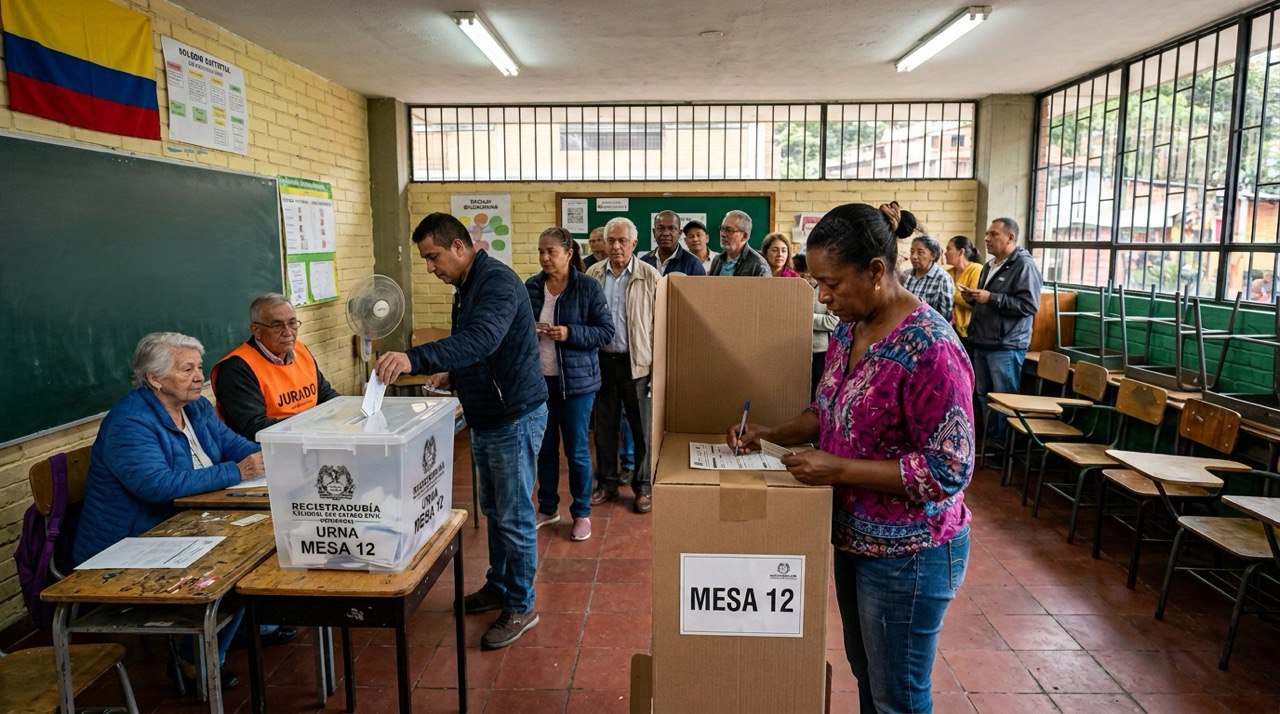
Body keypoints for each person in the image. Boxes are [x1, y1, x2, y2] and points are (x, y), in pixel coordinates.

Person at [727, 202, 972, 713]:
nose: (823, 295)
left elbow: (949, 469)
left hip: (910, 554)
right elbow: (829, 410)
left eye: (831, 283)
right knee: (868, 677)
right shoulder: (850, 328)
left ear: (876, 271)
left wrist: (838, 469)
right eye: (817, 282)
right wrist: (772, 433)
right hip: (855, 539)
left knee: (898, 697)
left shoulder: (931, 350)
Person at [374, 212, 548, 650]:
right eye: (425, 260)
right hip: (488, 414)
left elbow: (483, 338)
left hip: (514, 416)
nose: (430, 267)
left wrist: (415, 358)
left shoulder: (497, 283)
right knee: (494, 511)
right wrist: (455, 374)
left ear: (458, 246)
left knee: (514, 516)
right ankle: (499, 586)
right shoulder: (467, 285)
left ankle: (521, 605)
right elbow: (483, 349)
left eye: (433, 257)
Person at [73, 332, 267, 690]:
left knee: (261, 547)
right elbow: (156, 485)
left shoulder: (196, 407)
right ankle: (196, 660)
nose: (199, 377)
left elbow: (235, 446)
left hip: (186, 521)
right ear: (155, 378)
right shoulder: (130, 422)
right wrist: (237, 471)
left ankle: (240, 629)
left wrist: (271, 454)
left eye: (199, 367)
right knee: (238, 564)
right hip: (133, 539)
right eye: (187, 369)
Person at [526, 228, 615, 542]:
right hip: (539, 384)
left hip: (577, 385)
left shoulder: (587, 286)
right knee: (545, 450)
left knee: (577, 451)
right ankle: (548, 508)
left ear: (568, 253)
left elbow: (605, 331)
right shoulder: (532, 286)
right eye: (541, 251)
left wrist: (569, 333)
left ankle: (581, 513)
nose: (545, 257)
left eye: (551, 251)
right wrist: (529, 330)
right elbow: (517, 327)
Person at [587, 216, 660, 514]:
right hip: (602, 361)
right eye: (611, 240)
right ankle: (607, 483)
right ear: (604, 243)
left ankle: (643, 487)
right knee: (604, 427)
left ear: (634, 243)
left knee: (642, 429)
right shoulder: (593, 274)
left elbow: (660, 326)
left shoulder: (650, 276)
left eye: (622, 241)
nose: (616, 246)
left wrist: (657, 369)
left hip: (637, 364)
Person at [211, 293, 340, 441]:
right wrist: (311, 426)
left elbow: (326, 395)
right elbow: (254, 427)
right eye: (277, 326)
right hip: (270, 448)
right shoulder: (236, 369)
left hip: (311, 439)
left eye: (292, 323)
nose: (288, 332)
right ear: (256, 331)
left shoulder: (300, 350)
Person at [962, 218, 1043, 446]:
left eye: (994, 234)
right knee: (984, 395)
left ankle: (1004, 447)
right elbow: (988, 302)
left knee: (1004, 398)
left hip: (1005, 345)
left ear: (1010, 237)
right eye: (987, 234)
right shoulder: (990, 265)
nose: (987, 238)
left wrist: (992, 298)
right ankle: (991, 442)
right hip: (982, 340)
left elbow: (1029, 305)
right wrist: (973, 298)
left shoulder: (1024, 266)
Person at [794, 254, 840, 397]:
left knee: (816, 391)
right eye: (799, 275)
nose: (804, 279)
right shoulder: (794, 289)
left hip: (819, 351)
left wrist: (806, 318)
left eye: (806, 275)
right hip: (796, 349)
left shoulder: (825, 292)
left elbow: (833, 321)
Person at [945, 235, 983, 350]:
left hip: (969, 332)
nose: (945, 253)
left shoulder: (976, 269)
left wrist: (949, 292)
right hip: (950, 329)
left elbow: (971, 301)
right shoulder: (947, 273)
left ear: (961, 252)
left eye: (948, 249)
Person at [902, 235, 954, 318]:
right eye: (912, 252)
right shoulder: (906, 275)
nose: (914, 256)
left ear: (933, 256)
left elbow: (944, 316)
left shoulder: (943, 278)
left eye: (920, 252)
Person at [641, 210, 706, 276]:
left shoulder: (693, 264)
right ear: (654, 232)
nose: (666, 233)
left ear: (679, 233)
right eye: (660, 228)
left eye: (672, 229)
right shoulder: (643, 262)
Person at [708, 210, 769, 277]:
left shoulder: (758, 264)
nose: (723, 234)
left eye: (729, 230)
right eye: (722, 228)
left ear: (744, 236)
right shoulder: (717, 260)